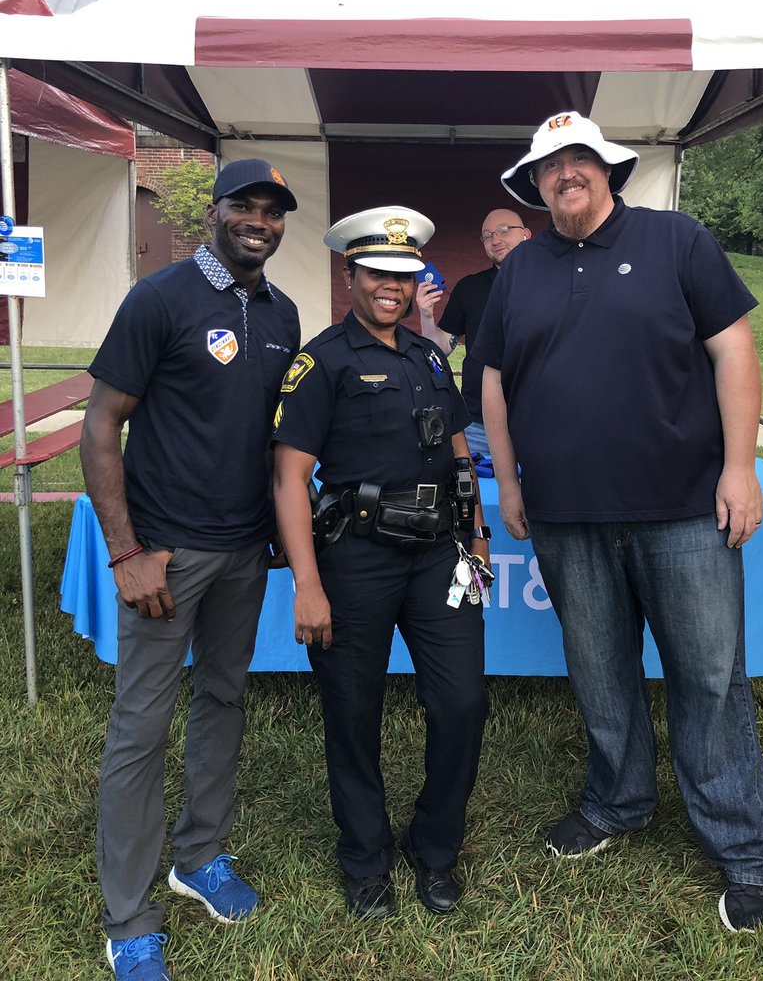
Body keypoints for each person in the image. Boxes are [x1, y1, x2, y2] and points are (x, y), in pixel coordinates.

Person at [474, 111, 763, 933]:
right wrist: (507, 482)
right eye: (549, 165)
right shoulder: (522, 268)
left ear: (609, 170)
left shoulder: (677, 239)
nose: (565, 173)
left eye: (580, 159)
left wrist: (741, 465)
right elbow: (495, 381)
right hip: (566, 515)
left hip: (683, 506)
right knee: (600, 672)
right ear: (534, 185)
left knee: (710, 678)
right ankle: (618, 801)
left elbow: (734, 350)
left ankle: (745, 851)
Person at [80, 158, 301, 980]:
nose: (259, 220)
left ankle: (199, 854)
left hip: (245, 550)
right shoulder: (161, 299)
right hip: (166, 554)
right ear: (214, 212)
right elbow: (100, 426)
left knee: (225, 698)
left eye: (273, 211)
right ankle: (129, 916)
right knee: (142, 729)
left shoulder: (283, 312)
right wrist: (127, 552)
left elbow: (271, 435)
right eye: (245, 205)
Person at [272, 206, 490, 919]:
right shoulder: (322, 361)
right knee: (353, 713)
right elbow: (289, 478)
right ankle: (366, 860)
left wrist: (478, 534)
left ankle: (435, 850)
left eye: (403, 274)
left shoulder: (430, 356)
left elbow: (459, 450)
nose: (391, 286)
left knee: (461, 702)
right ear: (351, 276)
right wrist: (307, 584)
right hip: (355, 560)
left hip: (437, 557)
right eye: (377, 273)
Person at [416, 209, 531, 455]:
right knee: (480, 493)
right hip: (478, 425)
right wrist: (426, 314)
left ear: (526, 235)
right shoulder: (470, 287)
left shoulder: (553, 281)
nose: (496, 240)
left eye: (504, 231)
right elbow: (441, 348)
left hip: (539, 418)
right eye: (487, 236)